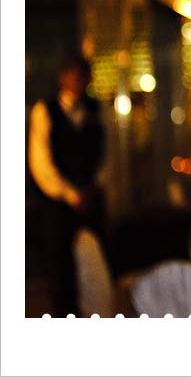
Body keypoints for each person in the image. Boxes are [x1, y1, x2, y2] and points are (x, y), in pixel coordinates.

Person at [28, 55, 106, 317]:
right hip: (56, 203)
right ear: (63, 78)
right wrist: (70, 194)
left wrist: (95, 186)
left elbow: (108, 154)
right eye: (74, 74)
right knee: (60, 271)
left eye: (83, 75)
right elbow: (40, 162)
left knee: (98, 267)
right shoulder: (44, 110)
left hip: (91, 198)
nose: (79, 81)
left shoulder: (96, 110)